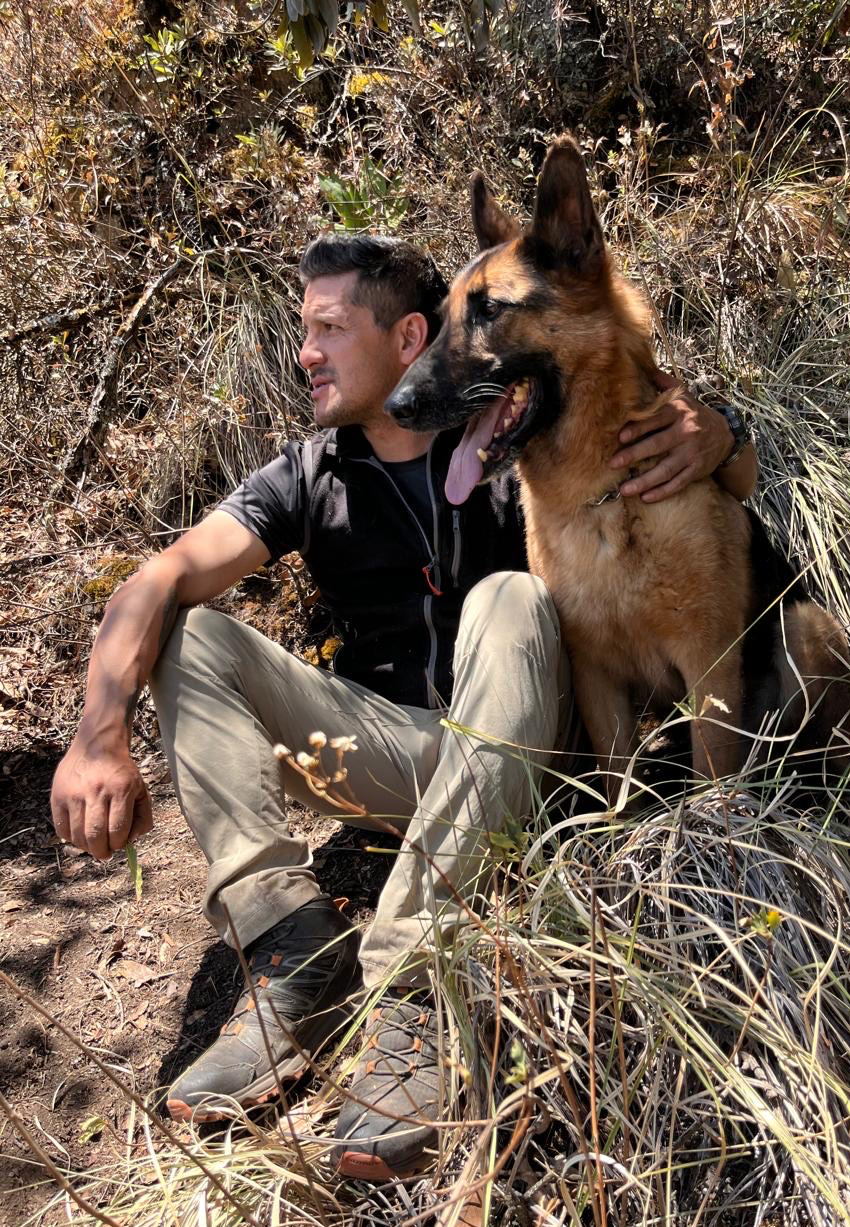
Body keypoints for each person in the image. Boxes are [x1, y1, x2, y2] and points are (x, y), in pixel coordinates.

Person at [50, 234, 757, 1181]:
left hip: (526, 755)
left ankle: (416, 981)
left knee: (512, 599)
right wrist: (98, 734)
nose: (306, 353)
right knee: (191, 633)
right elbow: (161, 575)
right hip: (387, 755)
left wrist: (725, 435)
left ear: (410, 337)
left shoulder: (516, 435)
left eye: (329, 328)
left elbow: (669, 450)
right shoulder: (312, 472)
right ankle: (289, 942)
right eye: (303, 330)